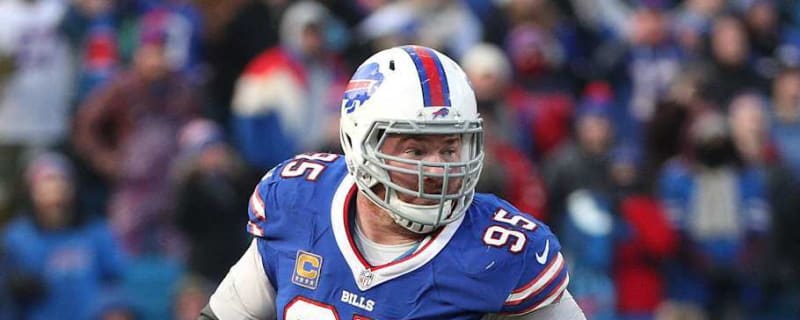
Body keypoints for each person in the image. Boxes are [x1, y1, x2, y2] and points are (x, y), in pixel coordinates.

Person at [200, 45, 585, 319]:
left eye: (450, 149)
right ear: (357, 140)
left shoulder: (502, 250)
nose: (437, 170)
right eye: (415, 151)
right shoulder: (299, 200)